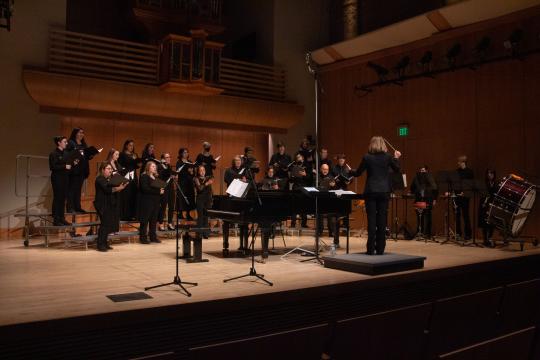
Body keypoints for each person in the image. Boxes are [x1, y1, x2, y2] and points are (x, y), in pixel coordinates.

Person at [354, 136, 401, 255]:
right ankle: (380, 249)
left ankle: (370, 249)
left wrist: (350, 171)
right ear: (383, 145)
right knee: (382, 221)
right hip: (384, 191)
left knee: (372, 220)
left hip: (371, 191)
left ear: (372, 144)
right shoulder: (388, 157)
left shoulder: (367, 157)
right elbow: (397, 169)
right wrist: (396, 158)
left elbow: (358, 173)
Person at [94, 163, 127, 252]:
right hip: (102, 204)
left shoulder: (109, 179)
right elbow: (107, 189)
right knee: (104, 224)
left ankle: (104, 242)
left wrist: (120, 186)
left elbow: (113, 190)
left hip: (110, 204)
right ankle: (100, 244)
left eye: (111, 169)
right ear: (103, 170)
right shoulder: (100, 179)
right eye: (108, 169)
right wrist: (118, 188)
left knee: (108, 225)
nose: (110, 170)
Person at [223, 155, 249, 254]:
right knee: (228, 220)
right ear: (233, 162)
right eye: (236, 160)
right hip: (232, 197)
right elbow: (226, 180)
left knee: (244, 222)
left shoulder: (245, 170)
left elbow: (249, 180)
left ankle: (244, 245)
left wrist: (245, 180)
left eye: (239, 160)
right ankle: (226, 245)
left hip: (242, 198)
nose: (238, 162)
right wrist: (237, 179)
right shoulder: (229, 170)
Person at [66, 128, 94, 213]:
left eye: (83, 133)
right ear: (75, 133)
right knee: (72, 189)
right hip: (74, 169)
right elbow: (68, 154)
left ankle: (77, 206)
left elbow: (85, 156)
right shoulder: (71, 142)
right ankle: (70, 207)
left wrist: (90, 155)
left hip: (82, 169)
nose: (82, 134)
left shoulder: (83, 144)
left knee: (78, 189)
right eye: (80, 132)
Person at [49, 136, 74, 226]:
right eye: (64, 142)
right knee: (58, 198)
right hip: (57, 178)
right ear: (59, 143)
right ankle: (56, 219)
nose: (66, 143)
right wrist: (64, 166)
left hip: (65, 178)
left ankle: (62, 218)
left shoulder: (66, 153)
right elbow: (52, 167)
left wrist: (73, 164)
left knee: (63, 198)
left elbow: (69, 165)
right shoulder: (54, 153)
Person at [138, 161, 164, 244]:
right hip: (147, 201)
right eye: (153, 166)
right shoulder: (144, 176)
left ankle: (153, 237)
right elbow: (145, 189)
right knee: (145, 220)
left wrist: (161, 190)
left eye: (155, 167)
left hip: (155, 201)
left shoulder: (155, 178)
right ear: (148, 167)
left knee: (153, 220)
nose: (154, 168)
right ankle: (143, 238)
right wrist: (158, 192)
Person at [410, 165, 438, 238]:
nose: (422, 172)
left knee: (428, 216)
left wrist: (435, 199)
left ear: (427, 171)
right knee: (419, 216)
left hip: (428, 199)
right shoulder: (416, 178)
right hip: (419, 199)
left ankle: (427, 233)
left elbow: (435, 188)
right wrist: (413, 192)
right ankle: (420, 232)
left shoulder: (430, 178)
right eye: (421, 170)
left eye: (423, 170)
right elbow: (412, 187)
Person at [118, 140, 141, 221]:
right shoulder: (122, 154)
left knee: (133, 194)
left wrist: (138, 163)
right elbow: (119, 165)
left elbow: (137, 166)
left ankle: (132, 214)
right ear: (126, 146)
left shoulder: (135, 155)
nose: (131, 147)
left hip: (133, 176)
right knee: (126, 195)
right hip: (126, 175)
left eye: (132, 145)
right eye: (130, 145)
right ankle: (124, 215)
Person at [456, 155, 474, 240]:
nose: (458, 163)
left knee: (466, 215)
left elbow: (471, 185)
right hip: (457, 197)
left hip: (465, 197)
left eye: (459, 161)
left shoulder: (470, 172)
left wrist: (465, 192)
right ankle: (458, 233)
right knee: (457, 215)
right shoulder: (456, 172)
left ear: (463, 162)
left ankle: (468, 234)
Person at [289, 153, 310, 228]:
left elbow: (309, 178)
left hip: (303, 188)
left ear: (302, 158)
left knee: (304, 206)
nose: (298, 158)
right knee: (294, 206)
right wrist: (292, 176)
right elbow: (290, 181)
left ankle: (304, 224)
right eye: (297, 157)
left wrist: (305, 175)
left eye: (300, 157)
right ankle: (293, 223)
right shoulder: (294, 167)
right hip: (296, 188)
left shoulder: (306, 166)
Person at [317, 164, 337, 239]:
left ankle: (331, 232)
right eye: (324, 169)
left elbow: (334, 188)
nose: (325, 171)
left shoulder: (331, 177)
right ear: (321, 169)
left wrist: (333, 185)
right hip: (320, 198)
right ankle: (319, 231)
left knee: (330, 215)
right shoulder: (317, 177)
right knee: (319, 215)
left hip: (328, 199)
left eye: (327, 169)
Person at [478, 169, 497, 247]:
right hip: (484, 204)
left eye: (491, 173)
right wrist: (484, 202)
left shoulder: (496, 183)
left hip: (492, 204)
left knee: (491, 222)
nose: (489, 175)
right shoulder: (484, 183)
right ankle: (485, 239)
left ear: (494, 174)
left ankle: (490, 238)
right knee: (484, 222)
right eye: (488, 173)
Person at [158, 153, 176, 231]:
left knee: (171, 205)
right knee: (163, 205)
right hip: (163, 187)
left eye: (169, 157)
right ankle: (161, 223)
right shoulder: (160, 166)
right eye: (167, 157)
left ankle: (169, 223)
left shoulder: (169, 166)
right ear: (163, 159)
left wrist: (174, 176)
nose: (169, 158)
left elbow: (170, 176)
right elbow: (160, 176)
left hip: (170, 187)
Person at [176, 148, 195, 221]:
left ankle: (188, 214)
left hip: (189, 183)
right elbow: (178, 172)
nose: (186, 154)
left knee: (190, 198)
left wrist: (192, 172)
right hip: (182, 182)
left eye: (187, 152)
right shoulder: (179, 162)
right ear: (181, 154)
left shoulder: (190, 162)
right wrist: (187, 170)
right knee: (183, 198)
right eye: (184, 152)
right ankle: (180, 213)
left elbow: (193, 174)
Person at [194, 165, 213, 238]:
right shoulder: (196, 179)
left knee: (206, 216)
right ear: (198, 172)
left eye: (203, 170)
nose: (202, 172)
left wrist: (211, 199)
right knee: (200, 217)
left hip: (207, 200)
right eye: (201, 170)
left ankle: (206, 234)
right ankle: (199, 234)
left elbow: (210, 190)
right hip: (200, 200)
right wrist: (206, 183)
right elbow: (200, 188)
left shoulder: (208, 178)